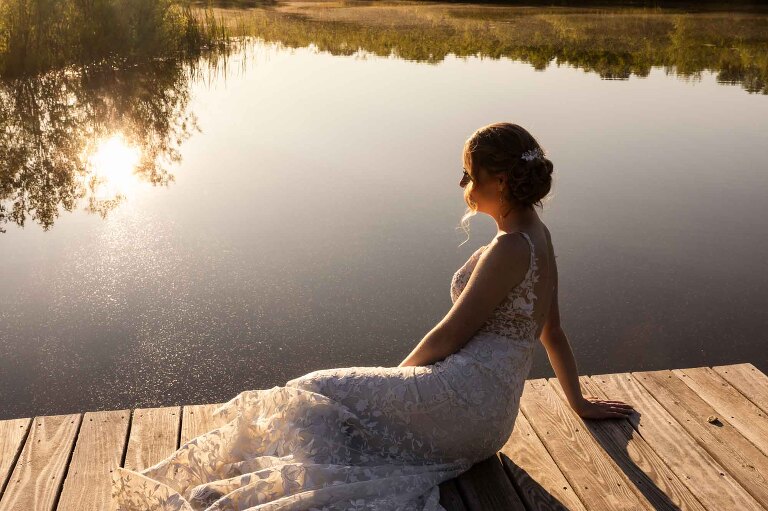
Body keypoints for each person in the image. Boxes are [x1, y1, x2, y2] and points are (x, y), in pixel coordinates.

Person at [111, 122, 633, 511]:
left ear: (498, 180)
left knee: (313, 388)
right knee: (336, 402)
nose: (462, 185)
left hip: (466, 403)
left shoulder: (509, 248)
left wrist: (397, 377)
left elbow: (452, 333)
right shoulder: (540, 238)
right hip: (490, 420)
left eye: (468, 175)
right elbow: (554, 333)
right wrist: (579, 401)